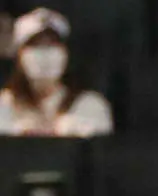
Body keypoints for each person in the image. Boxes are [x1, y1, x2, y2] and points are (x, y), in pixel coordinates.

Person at [0, 6, 113, 136]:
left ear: (66, 54)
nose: (45, 54)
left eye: (52, 45)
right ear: (19, 56)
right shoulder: (3, 106)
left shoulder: (90, 105)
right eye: (35, 45)